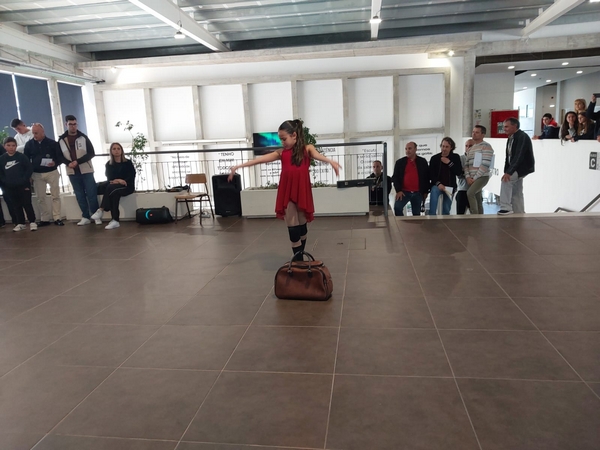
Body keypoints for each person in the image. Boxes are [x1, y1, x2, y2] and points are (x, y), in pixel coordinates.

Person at [228, 120, 340, 258]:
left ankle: (300, 256)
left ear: (294, 135)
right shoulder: (281, 153)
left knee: (302, 228)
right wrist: (238, 166)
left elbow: (318, 155)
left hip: (302, 192)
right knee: (293, 230)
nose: (282, 142)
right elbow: (260, 160)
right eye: (280, 139)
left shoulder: (307, 149)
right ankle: (299, 262)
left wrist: (330, 161)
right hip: (287, 192)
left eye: (284, 138)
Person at [57, 115, 99, 225]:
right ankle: (85, 216)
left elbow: (91, 153)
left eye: (74, 124)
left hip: (86, 170)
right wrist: (68, 163)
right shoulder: (61, 140)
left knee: (91, 193)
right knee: (79, 195)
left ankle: (96, 215)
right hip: (72, 172)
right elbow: (59, 156)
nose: (73, 126)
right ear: (66, 124)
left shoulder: (83, 137)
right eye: (70, 124)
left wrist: (78, 161)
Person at [24, 124, 64, 226]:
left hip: (52, 172)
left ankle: (57, 217)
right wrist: (29, 175)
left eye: (36, 133)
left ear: (43, 132)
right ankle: (44, 218)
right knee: (40, 197)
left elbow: (60, 157)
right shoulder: (29, 145)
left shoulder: (53, 143)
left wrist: (55, 163)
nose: (34, 135)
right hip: (37, 174)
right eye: (33, 133)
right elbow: (26, 161)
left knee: (55, 195)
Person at [90, 143, 136, 230]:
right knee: (113, 193)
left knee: (110, 188)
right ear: (111, 151)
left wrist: (121, 181)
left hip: (127, 186)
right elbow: (110, 178)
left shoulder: (128, 163)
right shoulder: (109, 164)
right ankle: (115, 220)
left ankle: (101, 209)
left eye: (118, 148)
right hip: (114, 187)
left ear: (121, 150)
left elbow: (131, 176)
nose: (116, 150)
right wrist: (119, 180)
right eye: (114, 149)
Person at [498, 118, 535, 215]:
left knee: (506, 181)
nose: (504, 129)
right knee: (517, 191)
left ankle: (505, 207)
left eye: (506, 126)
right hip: (515, 167)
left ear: (514, 126)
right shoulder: (511, 137)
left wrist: (509, 172)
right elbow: (508, 156)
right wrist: (506, 170)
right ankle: (519, 212)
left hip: (521, 167)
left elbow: (519, 155)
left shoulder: (522, 136)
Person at [0, 137, 36, 231]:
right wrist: (6, 181)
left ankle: (32, 222)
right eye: (8, 145)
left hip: (23, 185)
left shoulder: (22, 157)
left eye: (13, 145)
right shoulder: (2, 159)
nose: (11, 147)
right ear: (4, 146)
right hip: (10, 186)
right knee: (16, 205)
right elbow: (1, 173)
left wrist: (24, 180)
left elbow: (29, 169)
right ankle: (21, 223)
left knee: (27, 204)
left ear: (16, 146)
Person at [391, 141, 429, 216]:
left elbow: (426, 177)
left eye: (410, 148)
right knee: (397, 208)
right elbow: (395, 177)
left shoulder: (422, 162)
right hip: (403, 192)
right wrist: (398, 190)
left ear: (415, 149)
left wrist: (425, 191)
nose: (407, 151)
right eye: (406, 149)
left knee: (416, 214)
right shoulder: (400, 162)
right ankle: (401, 223)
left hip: (418, 193)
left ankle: (414, 224)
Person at [428, 137, 462, 216]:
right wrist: (438, 184)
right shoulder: (435, 158)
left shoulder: (455, 157)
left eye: (447, 147)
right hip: (437, 185)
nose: (444, 149)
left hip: (450, 186)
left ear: (451, 148)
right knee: (433, 204)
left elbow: (459, 172)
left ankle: (445, 222)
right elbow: (431, 174)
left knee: (446, 210)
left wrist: (449, 163)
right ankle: (432, 219)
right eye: (443, 146)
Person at [464, 125, 494, 215]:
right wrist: (468, 177)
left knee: (470, 193)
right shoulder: (471, 148)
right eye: (473, 132)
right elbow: (466, 165)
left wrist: (475, 178)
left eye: (477, 132)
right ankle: (480, 217)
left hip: (482, 177)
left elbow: (485, 164)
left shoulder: (486, 146)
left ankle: (474, 217)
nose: (474, 134)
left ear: (483, 134)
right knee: (477, 198)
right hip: (471, 178)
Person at [456, 139, 472, 215]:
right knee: (460, 215)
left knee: (475, 214)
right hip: (462, 190)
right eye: (466, 146)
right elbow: (459, 174)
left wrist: (465, 170)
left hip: (474, 190)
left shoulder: (478, 158)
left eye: (470, 146)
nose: (468, 148)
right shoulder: (460, 158)